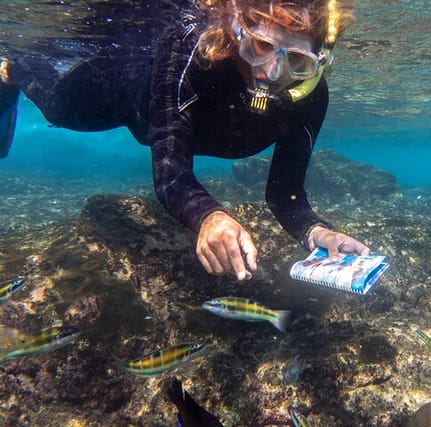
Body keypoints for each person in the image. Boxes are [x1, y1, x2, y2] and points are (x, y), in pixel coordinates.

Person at [0, 0, 370, 281]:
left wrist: (317, 232)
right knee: (57, 107)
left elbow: (284, 194)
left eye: (298, 62)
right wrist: (209, 217)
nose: (272, 72)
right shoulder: (191, 51)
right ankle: (11, 66)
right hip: (133, 100)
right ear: (237, 28)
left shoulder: (311, 98)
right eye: (261, 46)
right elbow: (170, 171)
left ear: (317, 64)